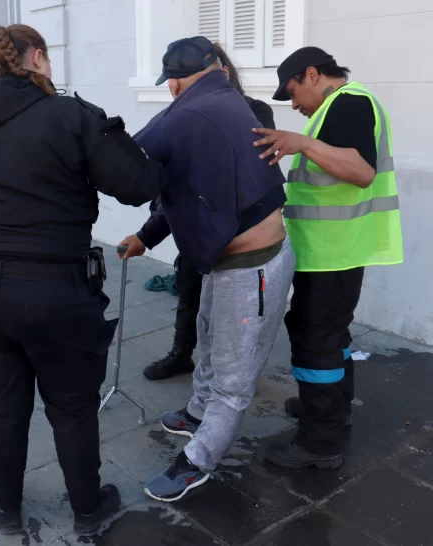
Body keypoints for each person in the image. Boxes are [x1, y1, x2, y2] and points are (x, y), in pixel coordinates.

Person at [0, 24, 165, 536]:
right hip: (55, 291)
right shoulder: (70, 115)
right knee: (73, 409)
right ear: (37, 59)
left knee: (2, 403)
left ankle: (7, 508)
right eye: (48, 60)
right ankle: (86, 509)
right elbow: (138, 185)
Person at [119, 36, 295, 502]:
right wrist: (145, 237)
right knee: (208, 334)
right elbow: (177, 187)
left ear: (176, 83)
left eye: (170, 84)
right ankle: (198, 411)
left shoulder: (191, 114)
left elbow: (127, 166)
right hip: (225, 259)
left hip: (253, 267)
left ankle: (198, 460)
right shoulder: (226, 101)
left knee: (235, 377)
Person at [253, 47, 404, 469]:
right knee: (330, 337)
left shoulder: (349, 103)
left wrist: (299, 142)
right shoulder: (335, 109)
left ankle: (320, 444)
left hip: (333, 252)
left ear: (313, 74)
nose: (295, 105)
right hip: (329, 250)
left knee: (315, 341)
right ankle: (332, 409)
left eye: (294, 93)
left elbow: (361, 171)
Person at [135, 42, 278, 381]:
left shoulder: (253, 112)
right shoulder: (182, 117)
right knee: (190, 295)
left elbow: (245, 175)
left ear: (223, 75)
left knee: (237, 322)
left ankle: (235, 376)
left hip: (238, 238)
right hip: (194, 226)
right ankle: (182, 355)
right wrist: (146, 235)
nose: (176, 88)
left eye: (184, 80)